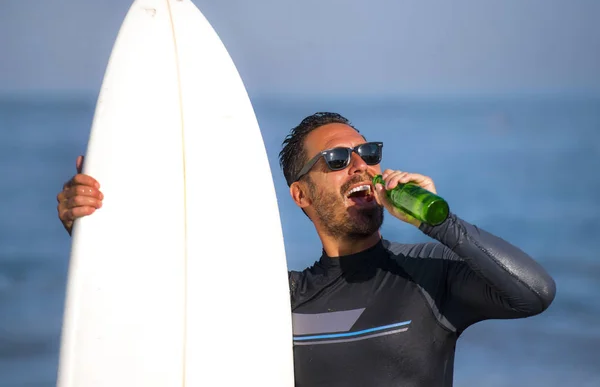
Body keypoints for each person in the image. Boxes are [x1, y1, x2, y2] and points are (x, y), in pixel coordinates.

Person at [57, 112, 556, 386]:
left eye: (368, 154)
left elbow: (534, 293)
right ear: (301, 194)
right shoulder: (281, 300)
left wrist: (440, 222)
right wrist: (89, 228)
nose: (360, 165)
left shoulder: (427, 276)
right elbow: (162, 300)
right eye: (337, 159)